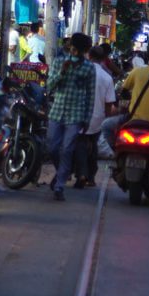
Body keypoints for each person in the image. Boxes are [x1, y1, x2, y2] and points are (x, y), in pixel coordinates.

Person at [45, 33, 96, 201]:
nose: (74, 53)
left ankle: (59, 186)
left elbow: (90, 95)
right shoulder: (59, 61)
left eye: (78, 51)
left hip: (76, 114)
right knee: (52, 147)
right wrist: (62, 72)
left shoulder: (89, 68)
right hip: (57, 111)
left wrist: (87, 119)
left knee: (67, 149)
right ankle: (63, 172)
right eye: (73, 49)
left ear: (84, 51)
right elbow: (50, 86)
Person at [74, 46, 117, 188]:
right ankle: (90, 176)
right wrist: (106, 118)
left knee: (81, 144)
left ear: (89, 56)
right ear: (103, 58)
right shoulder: (107, 77)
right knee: (93, 145)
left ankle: (81, 174)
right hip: (98, 118)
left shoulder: (81, 72)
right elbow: (109, 103)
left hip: (80, 114)